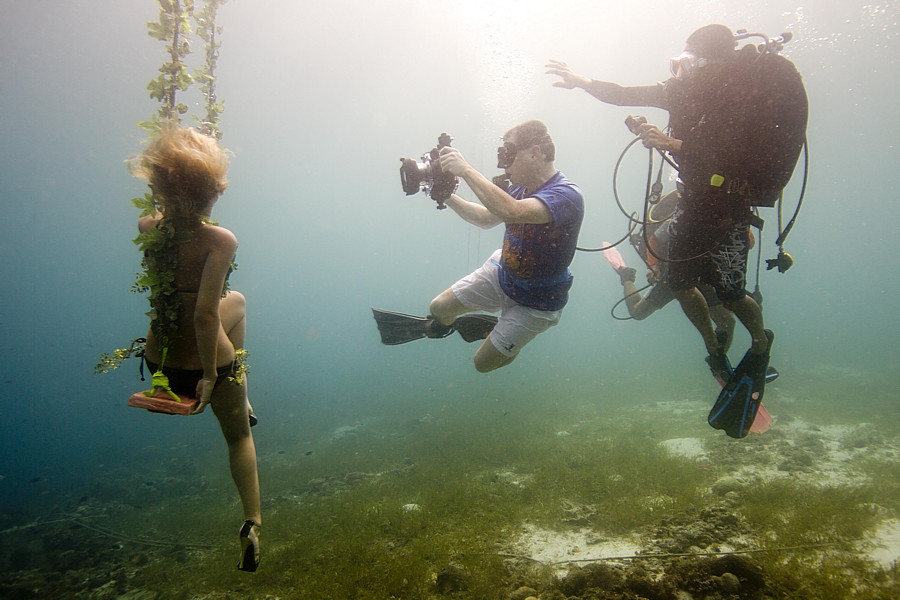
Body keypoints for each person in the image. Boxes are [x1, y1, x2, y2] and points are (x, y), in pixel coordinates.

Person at [547, 25, 807, 435]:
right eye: (678, 62)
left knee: (731, 292)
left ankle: (760, 342)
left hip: (730, 209)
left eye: (689, 63)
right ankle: (713, 352)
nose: (679, 72)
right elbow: (624, 92)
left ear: (715, 62)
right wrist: (581, 82)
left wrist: (675, 145)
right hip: (692, 204)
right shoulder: (681, 92)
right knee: (682, 281)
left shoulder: (743, 97)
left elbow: (740, 157)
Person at [129, 122, 261, 571]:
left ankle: (241, 392)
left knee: (236, 302)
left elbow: (198, 307)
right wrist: (208, 376)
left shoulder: (149, 226)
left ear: (158, 186)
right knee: (238, 435)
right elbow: (205, 317)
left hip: (160, 359)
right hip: (206, 365)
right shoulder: (219, 240)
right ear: (215, 192)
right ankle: (251, 522)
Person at [374, 120, 584, 372]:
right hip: (504, 272)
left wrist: (465, 170)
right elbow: (486, 218)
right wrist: (444, 195)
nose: (502, 163)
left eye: (507, 153)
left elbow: (512, 211)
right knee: (438, 308)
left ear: (535, 152)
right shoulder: (519, 187)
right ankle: (462, 326)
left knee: (482, 364)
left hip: (538, 300)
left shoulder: (566, 196)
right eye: (501, 154)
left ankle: (507, 332)